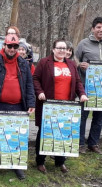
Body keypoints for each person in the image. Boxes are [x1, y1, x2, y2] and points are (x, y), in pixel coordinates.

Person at [0, 34, 36, 179]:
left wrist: (31, 102)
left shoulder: (23, 63)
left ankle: (15, 165)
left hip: (18, 105)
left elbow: (29, 84)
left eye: (15, 46)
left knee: (16, 136)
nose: (12, 49)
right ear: (4, 46)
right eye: (9, 46)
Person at [33, 39, 88, 173]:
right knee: (44, 133)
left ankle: (60, 161)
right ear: (53, 49)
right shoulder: (44, 63)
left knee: (63, 133)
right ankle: (40, 161)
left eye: (64, 48)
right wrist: (39, 92)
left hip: (66, 106)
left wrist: (81, 94)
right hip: (49, 106)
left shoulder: (71, 64)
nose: (62, 50)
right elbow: (35, 79)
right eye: (59, 48)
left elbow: (77, 82)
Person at [75, 17, 102, 153]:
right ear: (93, 29)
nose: (101, 30)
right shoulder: (83, 44)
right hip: (87, 88)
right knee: (83, 117)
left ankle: (93, 143)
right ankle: (80, 144)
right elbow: (73, 60)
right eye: (98, 27)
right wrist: (80, 65)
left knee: (99, 118)